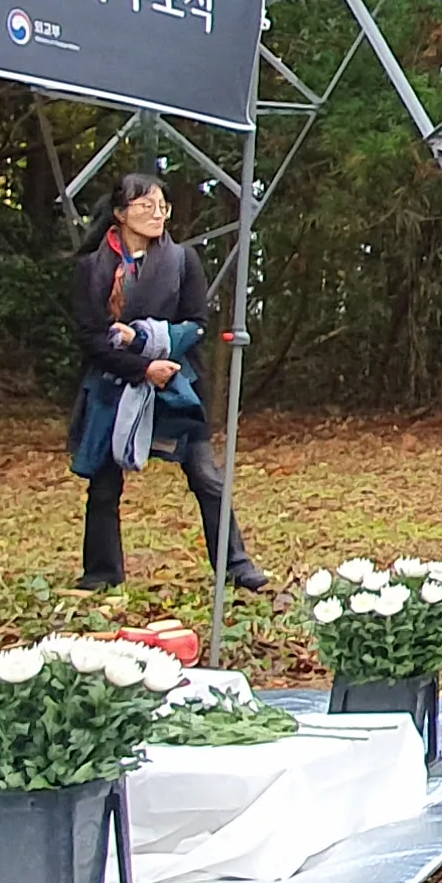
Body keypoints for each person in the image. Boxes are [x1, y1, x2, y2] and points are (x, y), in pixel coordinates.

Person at [71, 171, 271, 595]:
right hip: (114, 381)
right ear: (121, 213)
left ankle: (236, 565)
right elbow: (90, 337)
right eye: (146, 205)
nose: (157, 214)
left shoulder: (182, 260)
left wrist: (149, 342)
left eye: (162, 206)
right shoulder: (92, 267)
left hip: (175, 380)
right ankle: (101, 573)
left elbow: (196, 323)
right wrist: (141, 368)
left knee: (206, 476)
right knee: (103, 486)